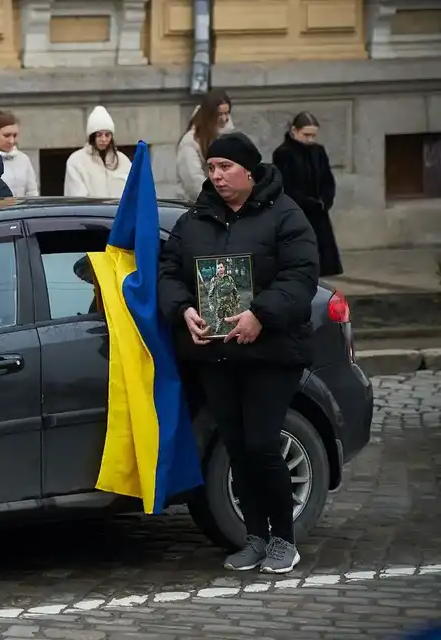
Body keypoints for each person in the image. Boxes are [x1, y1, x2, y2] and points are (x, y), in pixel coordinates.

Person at [157, 131, 319, 574]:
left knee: (263, 444)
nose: (217, 175)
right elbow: (169, 271)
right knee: (236, 447)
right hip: (216, 354)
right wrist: (183, 309)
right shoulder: (196, 219)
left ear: (249, 171)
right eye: (211, 167)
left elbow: (301, 276)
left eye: (225, 167)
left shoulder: (286, 215)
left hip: (270, 353)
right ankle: (255, 537)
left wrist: (261, 315)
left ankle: (284, 539)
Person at [272, 111, 342, 277]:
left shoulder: (318, 151)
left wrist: (325, 200)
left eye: (313, 135)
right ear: (294, 131)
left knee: (323, 263)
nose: (310, 139)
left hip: (319, 213)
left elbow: (327, 179)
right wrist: (307, 203)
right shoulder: (283, 153)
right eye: (306, 135)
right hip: (297, 213)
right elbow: (286, 185)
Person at [177, 89, 235, 202]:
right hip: (197, 205)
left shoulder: (229, 138)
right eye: (220, 114)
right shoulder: (190, 142)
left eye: (227, 113)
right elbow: (193, 182)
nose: (224, 119)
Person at [63, 106, 132, 198]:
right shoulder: (76, 161)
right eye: (99, 135)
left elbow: (133, 189)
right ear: (92, 137)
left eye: (107, 135)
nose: (103, 139)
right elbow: (77, 197)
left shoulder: (123, 160)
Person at [0, 110, 38, 197]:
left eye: (15, 135)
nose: (11, 141)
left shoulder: (23, 159)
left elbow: (32, 192)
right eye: (6, 135)